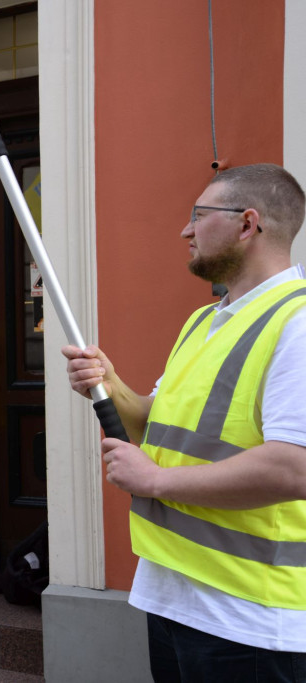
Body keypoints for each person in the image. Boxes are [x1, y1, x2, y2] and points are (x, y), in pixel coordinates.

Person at [62, 164, 306, 681]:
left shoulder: (298, 325)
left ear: (247, 224)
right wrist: (108, 383)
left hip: (250, 618)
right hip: (175, 597)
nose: (185, 230)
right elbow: (152, 422)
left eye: (199, 215)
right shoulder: (205, 320)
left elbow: (294, 467)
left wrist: (155, 481)